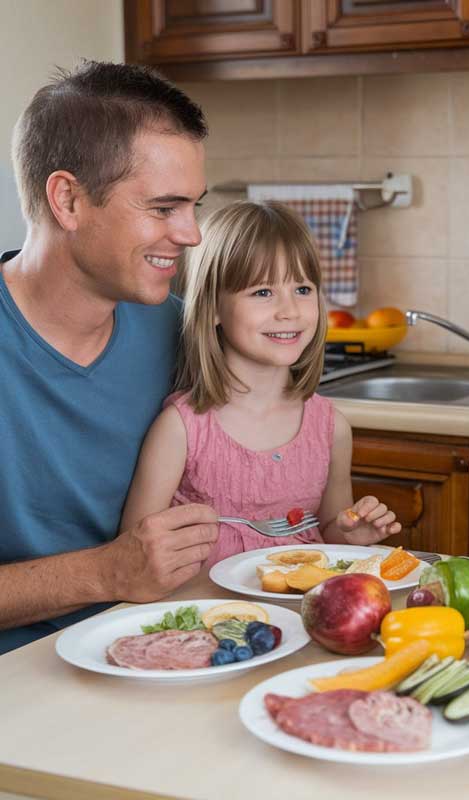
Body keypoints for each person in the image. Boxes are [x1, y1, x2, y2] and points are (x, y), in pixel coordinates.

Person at [0, 62, 217, 655]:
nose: (192, 234)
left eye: (194, 205)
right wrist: (107, 573)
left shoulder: (177, 330)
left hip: (157, 654)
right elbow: (123, 569)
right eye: (164, 207)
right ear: (67, 199)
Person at [120, 200, 401, 564]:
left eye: (302, 289)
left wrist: (351, 534)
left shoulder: (331, 429)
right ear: (214, 308)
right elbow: (134, 554)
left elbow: (329, 529)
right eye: (263, 292)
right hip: (208, 614)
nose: (289, 311)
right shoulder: (181, 430)